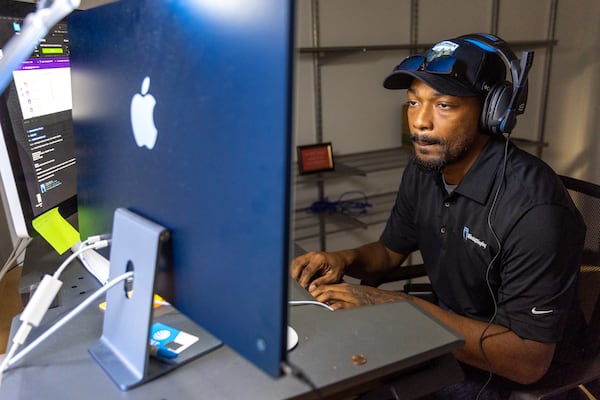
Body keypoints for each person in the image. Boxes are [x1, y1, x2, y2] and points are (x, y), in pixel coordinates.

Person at [290, 33, 586, 399]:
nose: (420, 122)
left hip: (509, 365)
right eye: (414, 102)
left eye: (444, 105)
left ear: (493, 112)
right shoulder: (424, 169)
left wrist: (400, 308)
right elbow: (388, 253)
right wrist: (342, 259)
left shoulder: (536, 212)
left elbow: (527, 361)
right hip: (447, 332)